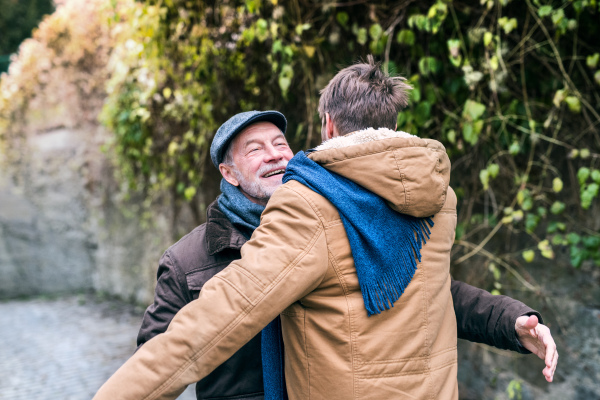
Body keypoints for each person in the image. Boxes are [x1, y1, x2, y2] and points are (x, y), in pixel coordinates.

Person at [96, 58, 557, 400]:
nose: (276, 154)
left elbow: (431, 293)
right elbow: (181, 339)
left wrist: (506, 320)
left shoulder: (311, 205)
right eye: (255, 149)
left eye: (280, 142)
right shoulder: (436, 195)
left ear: (328, 126)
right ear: (228, 172)